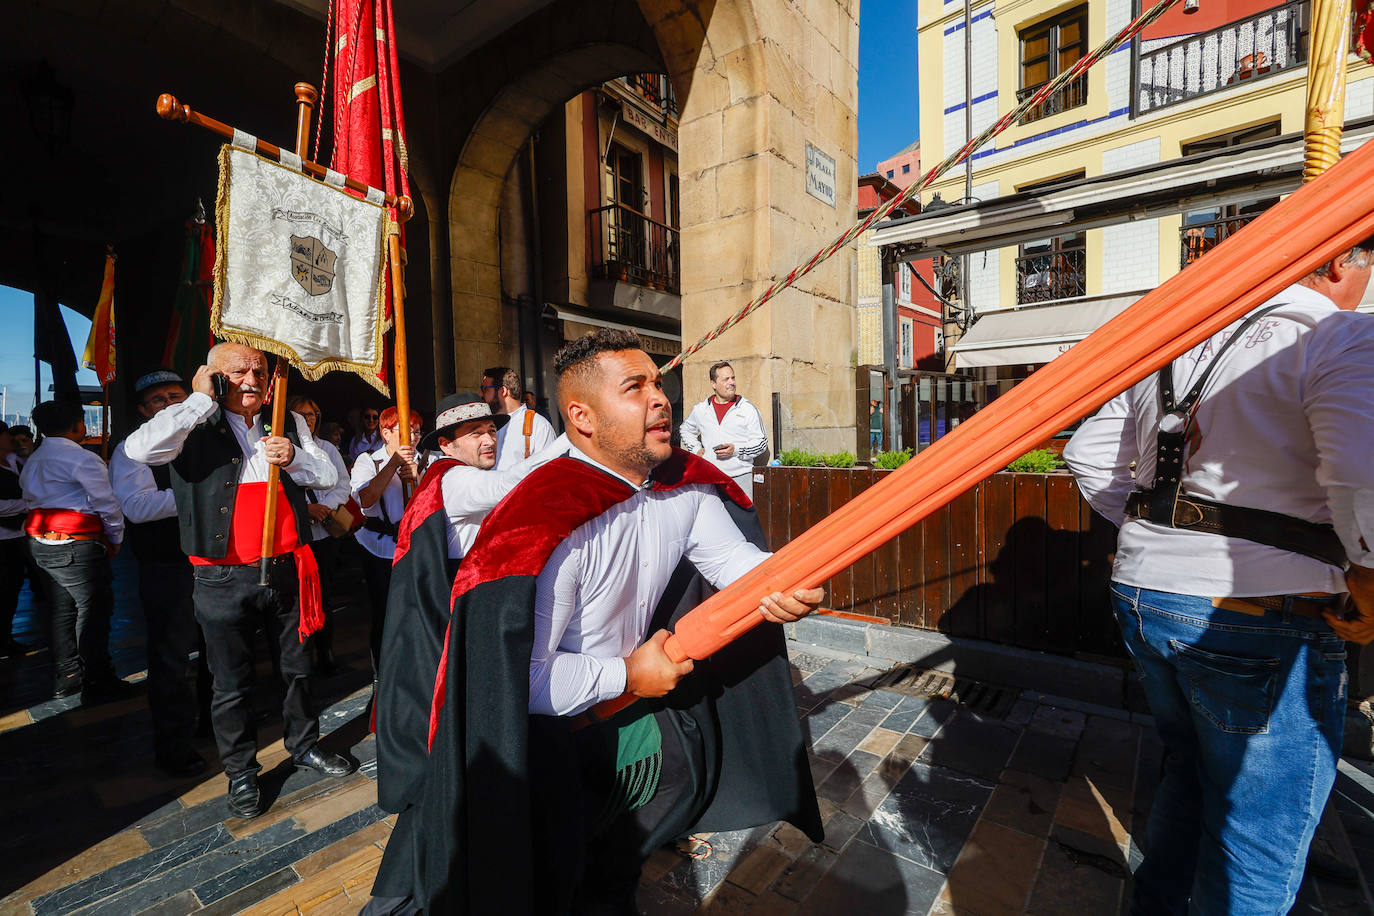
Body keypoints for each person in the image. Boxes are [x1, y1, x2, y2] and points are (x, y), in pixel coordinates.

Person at [366, 330, 823, 914]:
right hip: (541, 747)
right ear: (580, 416)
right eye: (636, 388)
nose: (661, 399)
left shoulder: (685, 489)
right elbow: (517, 682)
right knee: (543, 883)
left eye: (659, 384)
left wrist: (785, 581)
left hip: (628, 718)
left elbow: (736, 564)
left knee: (617, 866)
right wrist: (626, 674)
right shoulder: (541, 518)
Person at [1063, 239, 1374, 915]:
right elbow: (1362, 471)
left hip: (1147, 595)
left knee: (1192, 774)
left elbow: (1086, 454)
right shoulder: (1339, 335)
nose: (1362, 292)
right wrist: (1370, 585)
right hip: (1257, 609)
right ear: (1334, 262)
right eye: (1365, 273)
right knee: (1257, 838)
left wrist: (1162, 535)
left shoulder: (1172, 345)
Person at [124, 342, 354, 819]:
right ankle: (242, 772)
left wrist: (294, 458)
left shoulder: (288, 423)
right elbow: (139, 450)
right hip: (222, 578)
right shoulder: (191, 423)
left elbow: (332, 478)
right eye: (238, 372)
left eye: (259, 371)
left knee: (297, 669)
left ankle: (304, 745)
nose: (251, 380)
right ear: (213, 376)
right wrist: (197, 400)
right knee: (230, 682)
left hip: (287, 570)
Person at [110, 369, 210, 777]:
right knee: (170, 659)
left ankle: (210, 723)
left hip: (212, 563)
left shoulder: (204, 441)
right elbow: (137, 506)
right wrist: (200, 496)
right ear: (143, 410)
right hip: (167, 567)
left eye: (176, 395)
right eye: (158, 400)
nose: (169, 404)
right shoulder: (131, 450)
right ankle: (173, 745)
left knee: (216, 653)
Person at [20, 399, 127, 702]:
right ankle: (98, 679)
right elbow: (106, 503)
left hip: (40, 542)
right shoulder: (82, 459)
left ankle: (68, 675)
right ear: (78, 425)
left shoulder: (34, 459)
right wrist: (116, 536)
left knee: (62, 613)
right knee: (93, 614)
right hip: (76, 544)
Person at [351, 406, 422, 680]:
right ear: (386, 433)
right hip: (379, 548)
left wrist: (419, 475)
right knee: (384, 613)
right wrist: (393, 464)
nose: (412, 438)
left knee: (416, 611)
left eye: (416, 432)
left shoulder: (425, 460)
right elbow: (365, 499)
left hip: (415, 546)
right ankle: (383, 675)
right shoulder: (369, 461)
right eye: (406, 432)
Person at [287, 396, 353, 676]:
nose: (309, 419)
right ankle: (298, 659)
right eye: (302, 414)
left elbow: (343, 484)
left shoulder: (326, 448)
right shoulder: (282, 448)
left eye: (313, 414)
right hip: (295, 535)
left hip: (324, 532)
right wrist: (305, 509)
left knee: (323, 595)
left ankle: (325, 652)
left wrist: (325, 508)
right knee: (296, 601)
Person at [679, 360, 768, 497]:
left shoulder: (747, 409)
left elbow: (761, 443)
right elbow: (685, 429)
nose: (732, 382)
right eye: (726, 379)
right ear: (713, 384)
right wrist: (696, 449)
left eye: (733, 378)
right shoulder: (701, 409)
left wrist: (736, 450)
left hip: (741, 478)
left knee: (742, 519)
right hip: (709, 477)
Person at [481, 366, 555, 469]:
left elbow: (547, 473)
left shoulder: (538, 426)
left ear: (503, 391)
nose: (481, 394)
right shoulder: (483, 425)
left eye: (484, 389)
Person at [0, 424, 29, 657]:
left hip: (19, 533)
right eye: (6, 435)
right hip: (2, 537)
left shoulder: (15, 461)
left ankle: (5, 637)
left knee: (12, 588)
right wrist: (27, 504)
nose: (11, 438)